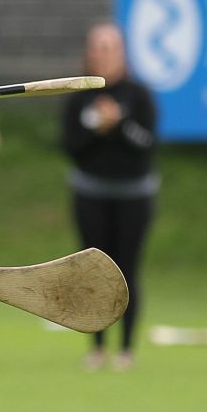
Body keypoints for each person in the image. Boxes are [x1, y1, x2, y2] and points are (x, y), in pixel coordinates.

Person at [61, 21, 158, 372]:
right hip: (90, 193)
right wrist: (98, 130)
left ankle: (127, 348)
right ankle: (98, 346)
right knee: (94, 270)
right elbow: (71, 147)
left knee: (128, 270)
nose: (102, 55)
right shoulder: (79, 95)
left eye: (110, 48)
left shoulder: (139, 95)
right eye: (97, 48)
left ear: (122, 53)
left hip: (133, 196)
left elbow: (146, 145)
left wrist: (117, 125)